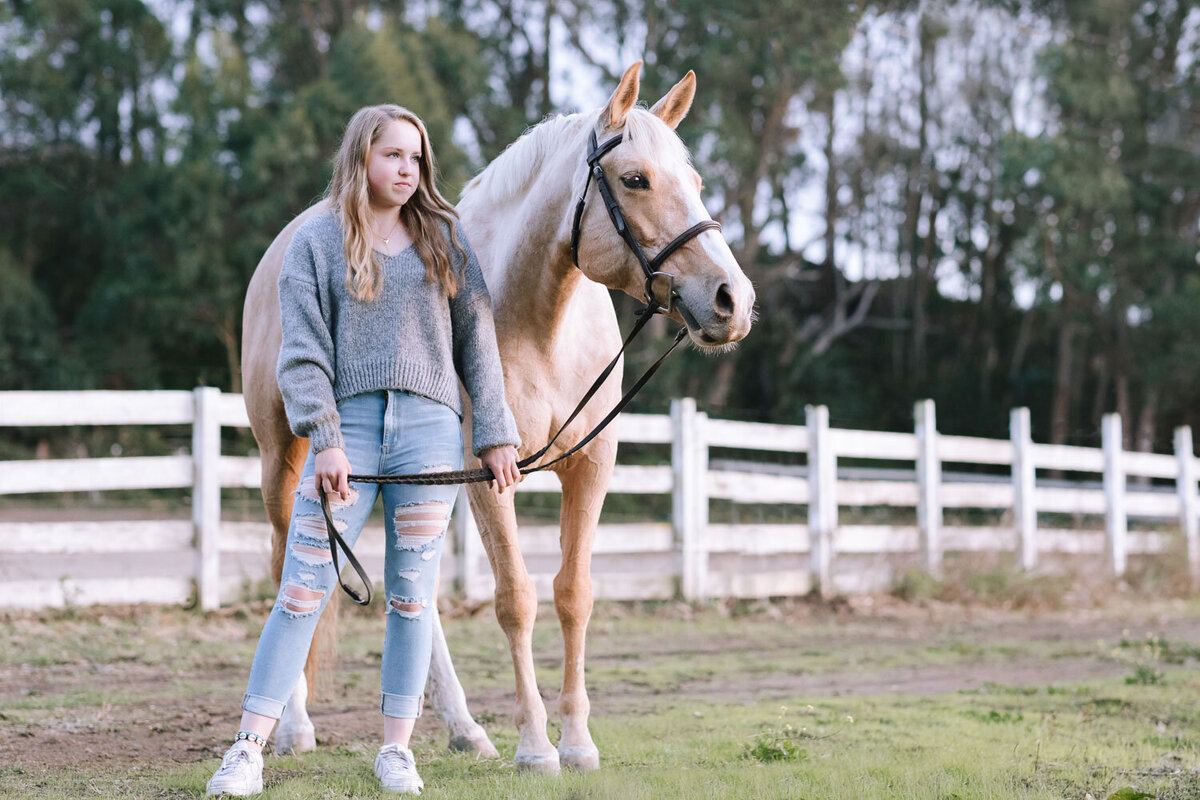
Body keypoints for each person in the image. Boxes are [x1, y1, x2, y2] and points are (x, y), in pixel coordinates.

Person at [206, 105, 522, 796]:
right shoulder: (317, 239)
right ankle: (247, 750)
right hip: (347, 438)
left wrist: (495, 433)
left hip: (430, 438)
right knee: (301, 591)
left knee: (412, 599)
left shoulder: (444, 236)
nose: (406, 169)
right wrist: (324, 438)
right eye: (392, 156)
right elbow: (302, 351)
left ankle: (396, 751)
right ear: (361, 158)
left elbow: (478, 340)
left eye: (416, 157)